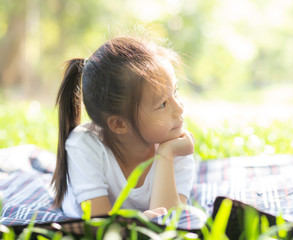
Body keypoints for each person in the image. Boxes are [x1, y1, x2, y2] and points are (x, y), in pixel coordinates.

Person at [51, 36, 195, 219]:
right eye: (162, 104)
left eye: (175, 92)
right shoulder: (84, 146)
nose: (179, 109)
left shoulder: (176, 146)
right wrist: (142, 221)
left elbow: (171, 224)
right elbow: (101, 226)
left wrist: (165, 155)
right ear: (119, 124)